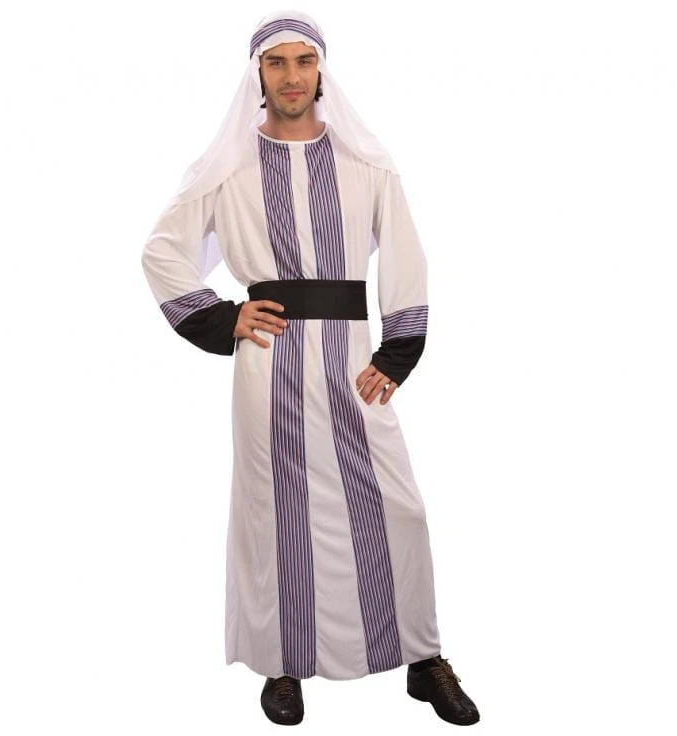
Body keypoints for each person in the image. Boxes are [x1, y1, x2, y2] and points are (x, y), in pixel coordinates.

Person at [140, 10, 480, 727]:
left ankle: (423, 659)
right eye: (277, 63)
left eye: (303, 61)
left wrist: (397, 351)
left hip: (352, 361)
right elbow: (162, 251)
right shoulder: (228, 168)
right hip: (269, 366)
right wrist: (224, 316)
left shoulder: (366, 163)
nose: (291, 76)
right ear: (258, 75)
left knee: (398, 506)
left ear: (321, 70)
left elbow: (406, 254)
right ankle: (282, 663)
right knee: (276, 509)